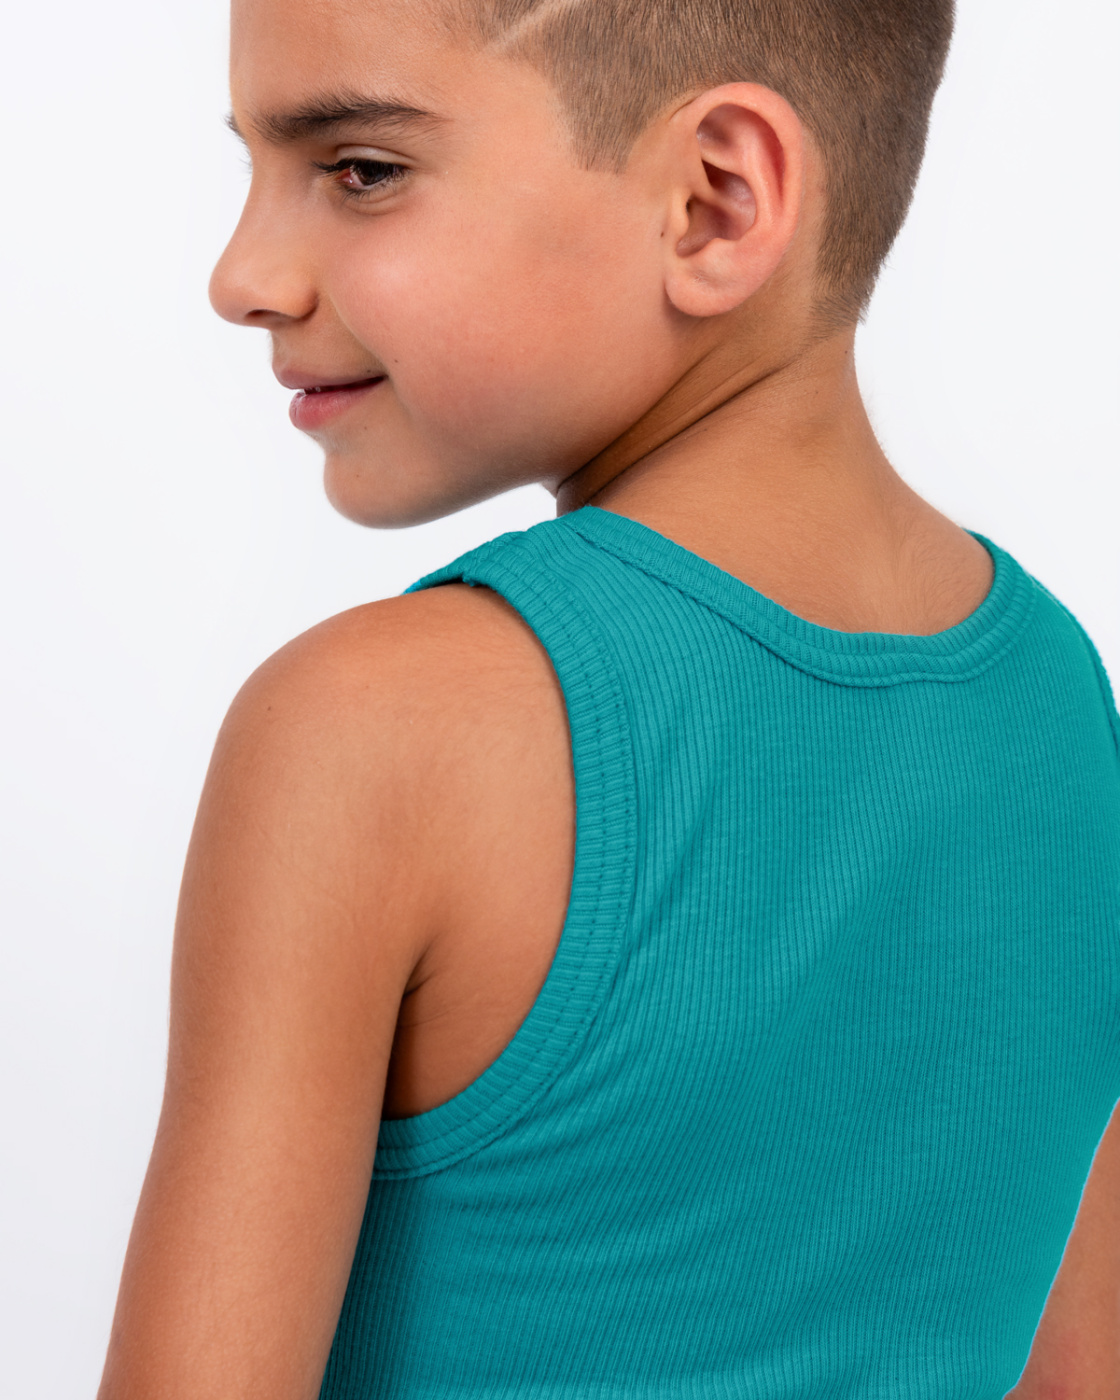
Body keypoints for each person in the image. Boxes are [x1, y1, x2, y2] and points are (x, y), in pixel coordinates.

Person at [97, 0, 1120, 1396]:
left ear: (714, 203)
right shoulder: (1061, 699)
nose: (243, 276)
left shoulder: (374, 733)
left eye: (361, 170)